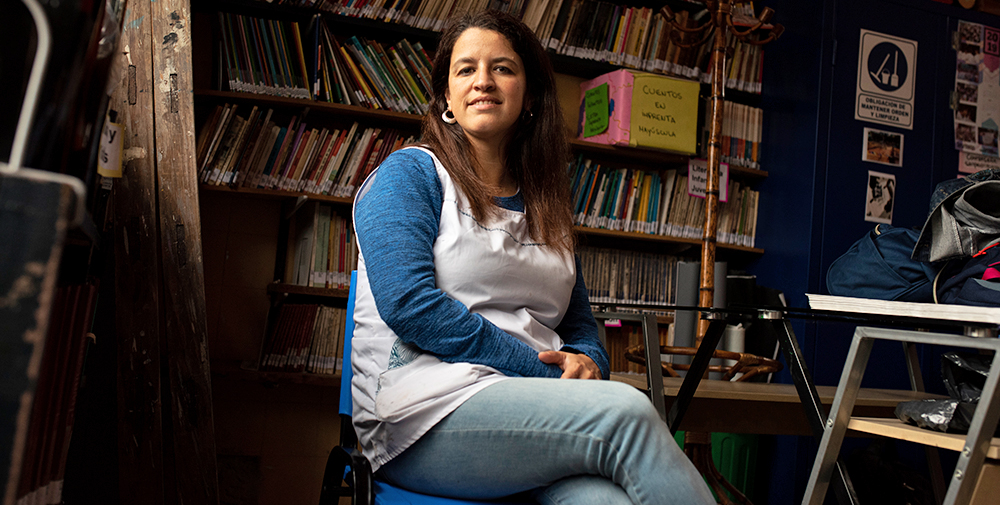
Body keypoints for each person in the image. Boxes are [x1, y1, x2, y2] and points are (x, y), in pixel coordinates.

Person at [350, 9, 715, 505]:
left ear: (529, 96)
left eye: (502, 68)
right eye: (465, 69)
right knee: (626, 413)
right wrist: (547, 374)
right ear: (446, 100)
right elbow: (409, 305)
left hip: (538, 410)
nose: (483, 81)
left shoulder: (547, 204)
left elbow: (579, 322)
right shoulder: (409, 176)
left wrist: (588, 364)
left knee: (604, 501)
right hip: (424, 414)